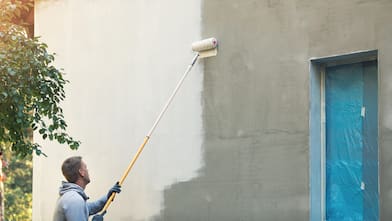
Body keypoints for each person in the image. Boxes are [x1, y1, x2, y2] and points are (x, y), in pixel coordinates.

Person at [53, 156, 121, 221]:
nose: (87, 170)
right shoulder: (74, 200)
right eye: (85, 168)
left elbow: (90, 207)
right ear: (81, 172)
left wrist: (108, 197)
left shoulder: (71, 196)